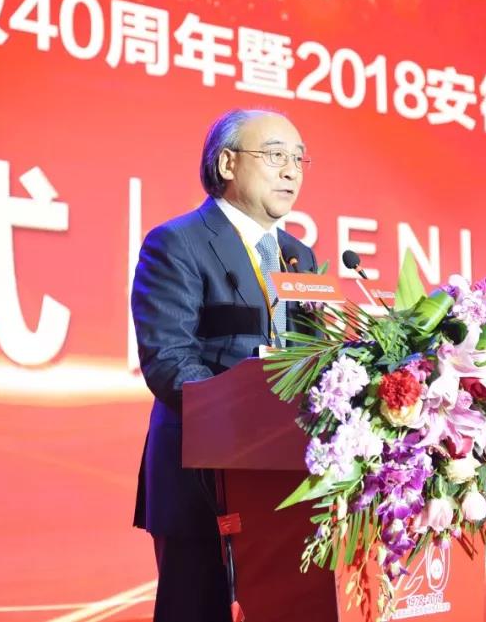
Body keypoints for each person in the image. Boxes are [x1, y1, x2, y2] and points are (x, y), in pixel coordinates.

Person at [131, 109, 317, 622]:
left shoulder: (300, 256)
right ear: (228, 163)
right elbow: (169, 361)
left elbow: (314, 358)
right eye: (275, 156)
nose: (291, 171)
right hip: (202, 478)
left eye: (299, 159)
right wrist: (251, 422)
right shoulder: (177, 243)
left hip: (286, 481)